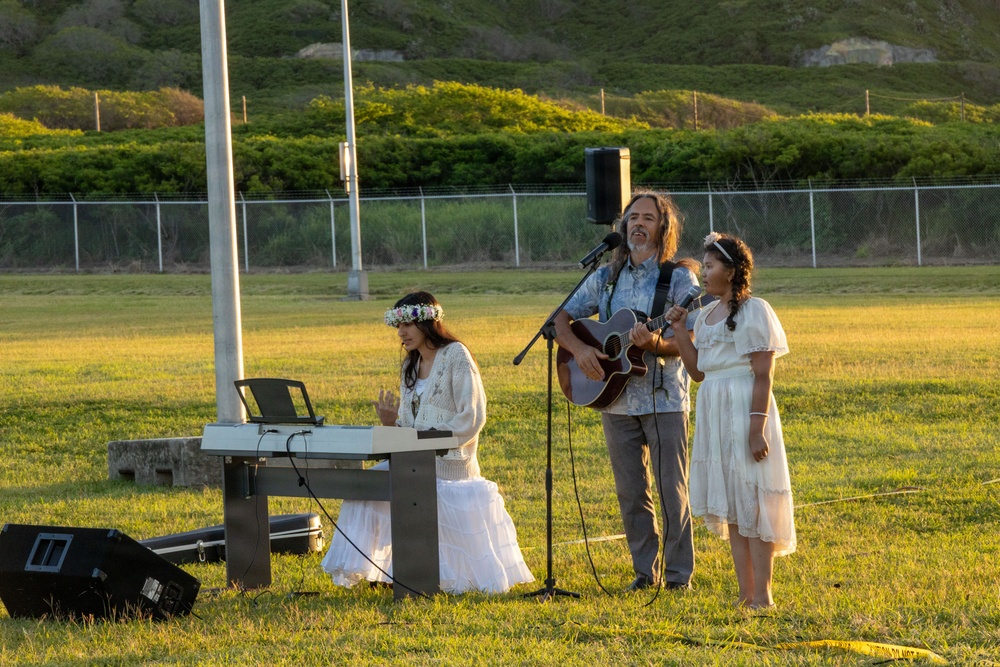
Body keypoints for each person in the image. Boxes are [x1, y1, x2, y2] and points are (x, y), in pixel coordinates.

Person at [321, 291, 534, 594]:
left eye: (407, 324)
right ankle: (376, 571)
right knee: (363, 486)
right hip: (412, 463)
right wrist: (390, 422)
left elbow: (472, 418)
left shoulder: (456, 355)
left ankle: (421, 576)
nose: (401, 333)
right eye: (398, 326)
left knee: (391, 485)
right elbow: (408, 429)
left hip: (449, 469)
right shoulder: (411, 365)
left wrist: (425, 440)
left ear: (428, 323)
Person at [554, 189, 700, 591]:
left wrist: (655, 343)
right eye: (633, 217)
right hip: (614, 398)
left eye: (648, 218)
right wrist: (581, 350)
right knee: (630, 492)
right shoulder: (605, 276)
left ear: (663, 227)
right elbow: (560, 319)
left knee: (672, 491)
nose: (638, 224)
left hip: (666, 397)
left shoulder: (678, 278)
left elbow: (689, 341)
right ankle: (643, 573)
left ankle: (678, 577)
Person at [664, 232, 796, 609]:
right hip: (714, 408)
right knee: (734, 508)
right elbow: (698, 372)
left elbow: (762, 374)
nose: (703, 274)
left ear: (732, 270)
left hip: (744, 407)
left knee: (753, 499)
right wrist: (679, 332)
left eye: (709, 266)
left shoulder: (755, 311)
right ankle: (745, 594)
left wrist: (756, 429)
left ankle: (763, 595)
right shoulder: (705, 316)